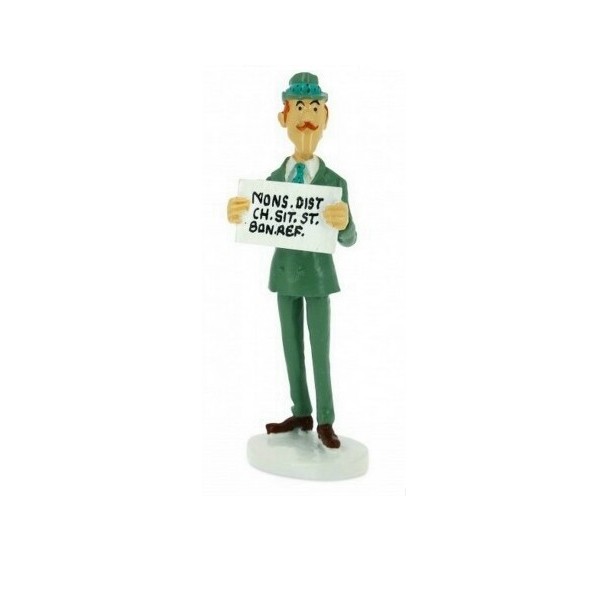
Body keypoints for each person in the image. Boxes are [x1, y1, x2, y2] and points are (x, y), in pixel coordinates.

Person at [227, 72, 357, 448]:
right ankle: (301, 410)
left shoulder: (335, 182)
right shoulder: (271, 181)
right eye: (299, 108)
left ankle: (326, 418)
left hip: (317, 277)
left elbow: (350, 237)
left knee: (320, 349)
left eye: (314, 108)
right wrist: (239, 212)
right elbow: (257, 217)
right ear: (284, 118)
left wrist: (345, 222)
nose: (307, 117)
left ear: (325, 118)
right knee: (291, 346)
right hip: (284, 275)